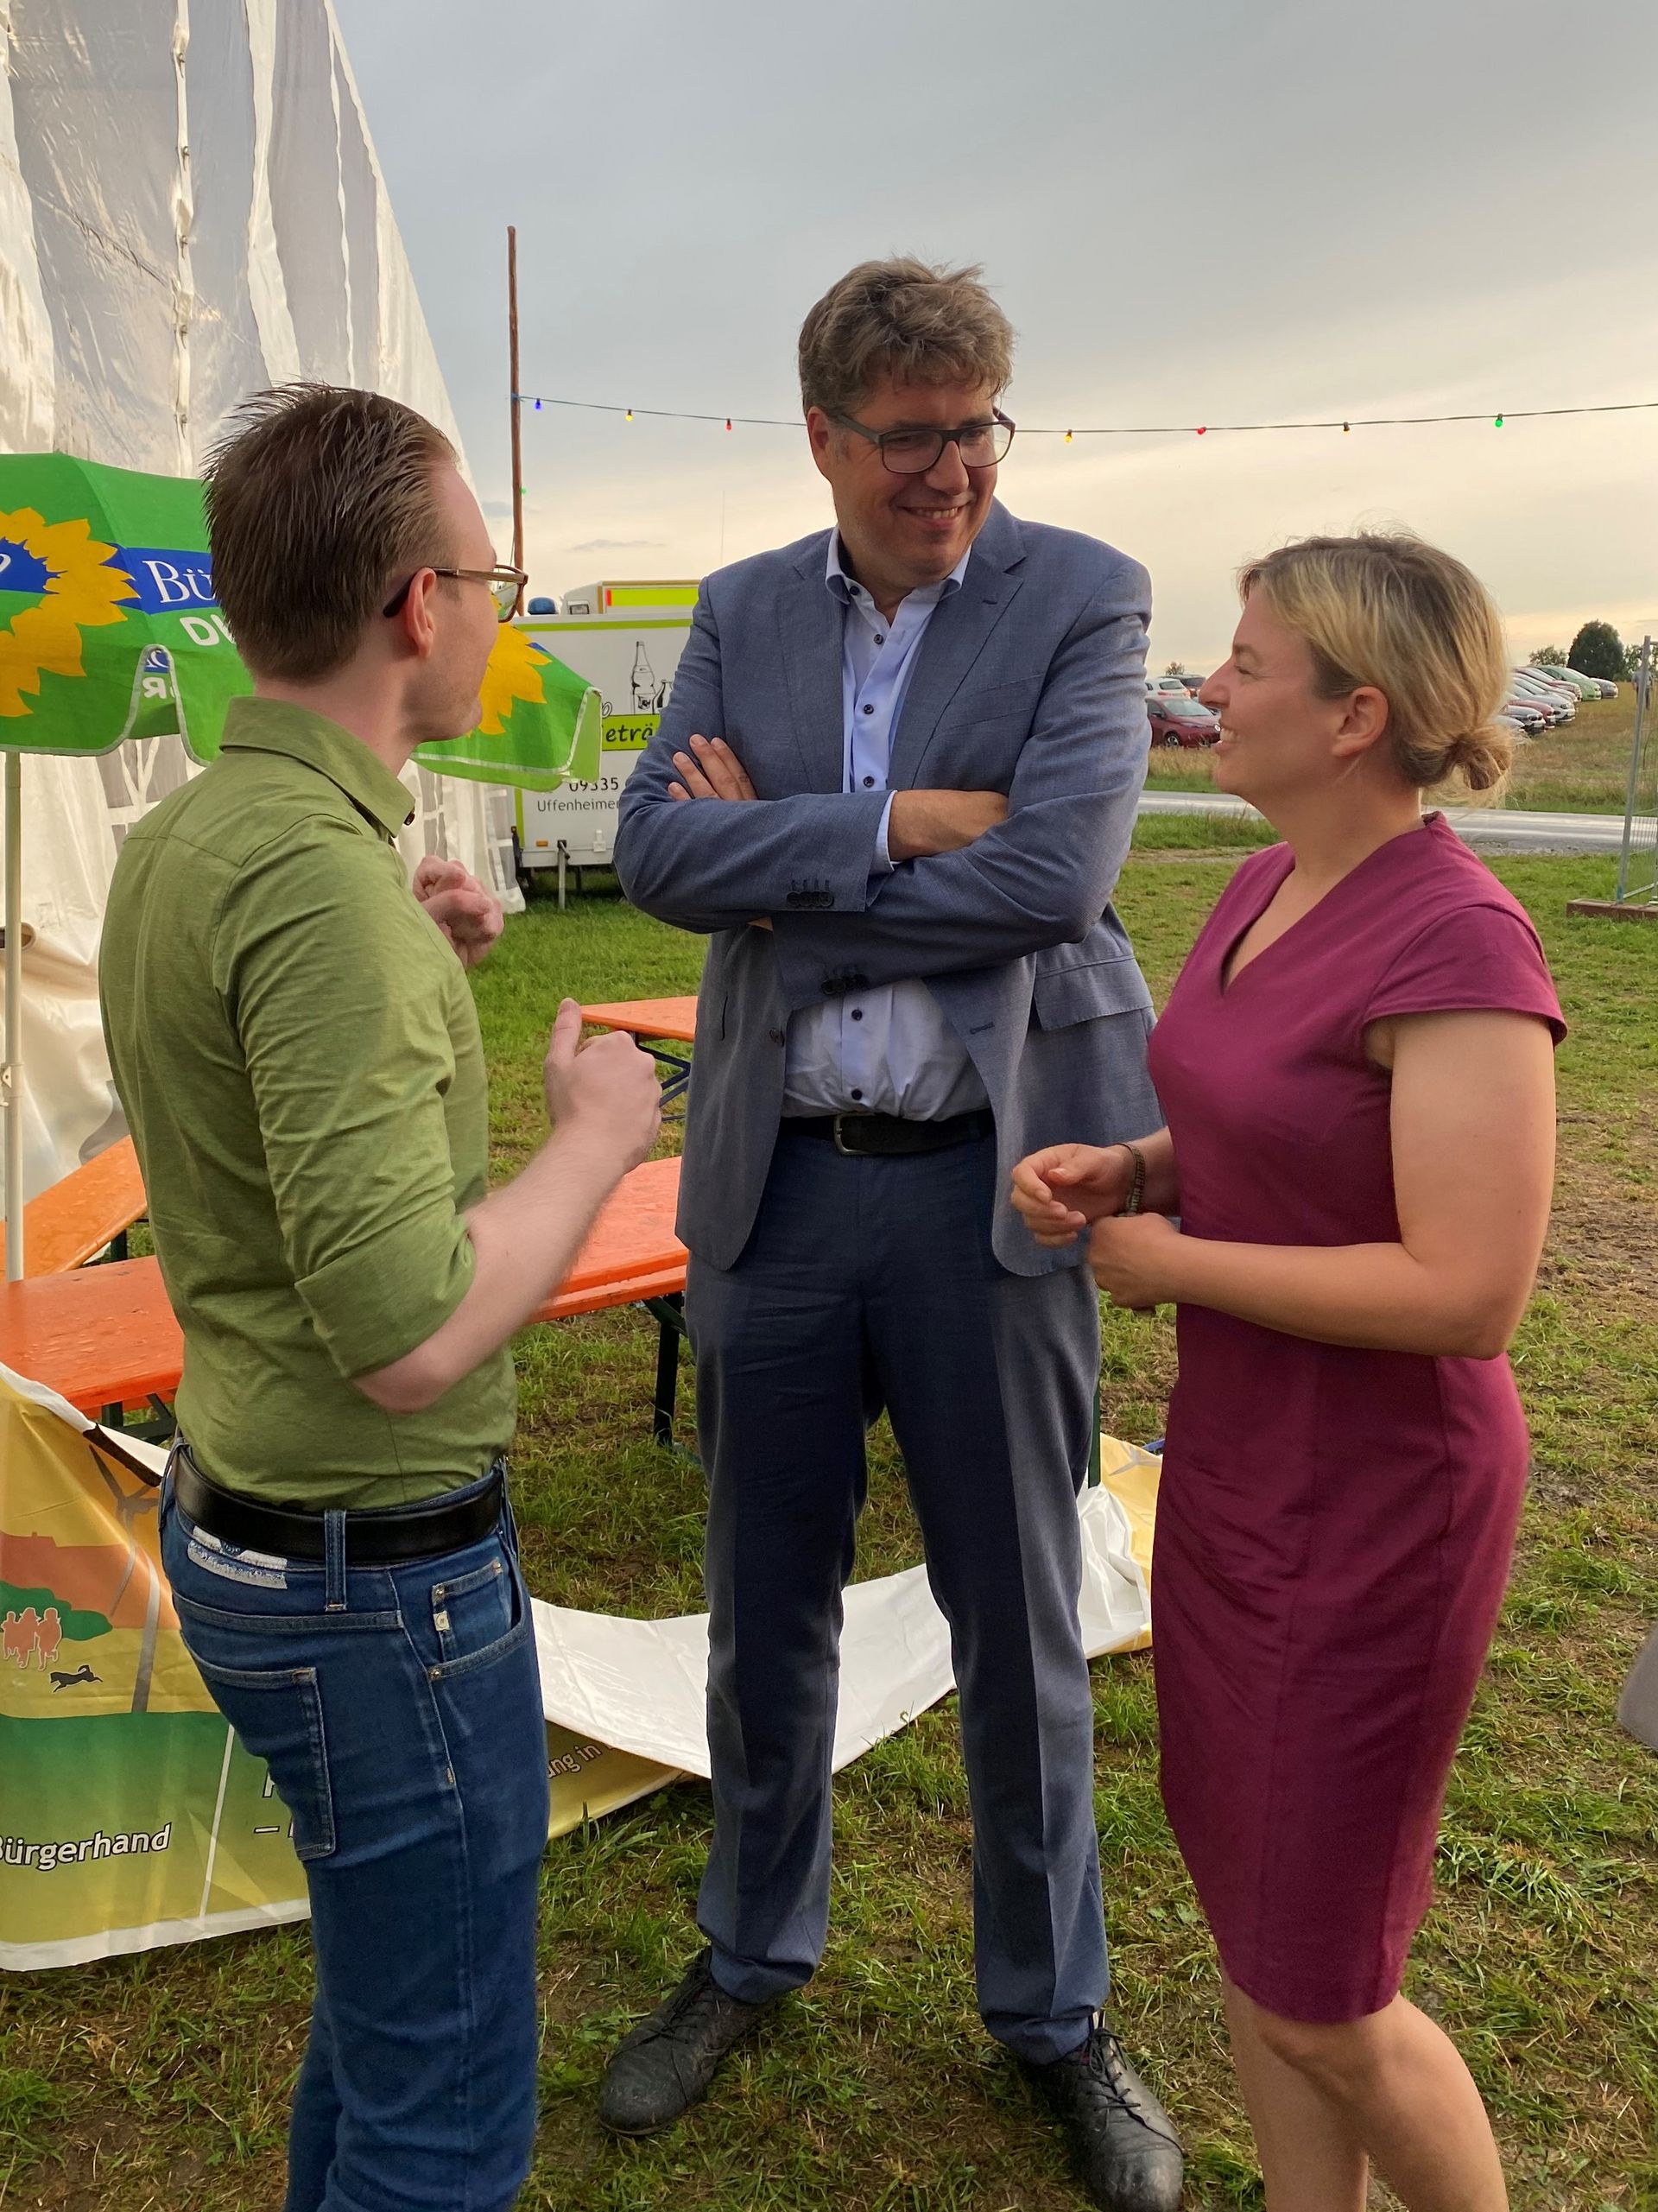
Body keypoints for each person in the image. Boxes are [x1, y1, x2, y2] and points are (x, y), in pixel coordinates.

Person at [605, 259, 1184, 2212]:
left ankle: (1056, 2014)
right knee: (762, 1603)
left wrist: (783, 870)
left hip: (988, 1182)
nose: (955, 472)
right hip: (776, 1186)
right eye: (914, 437)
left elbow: (1057, 877)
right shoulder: (741, 607)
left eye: (979, 427)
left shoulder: (1082, 593)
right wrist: (900, 823)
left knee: (1018, 1615)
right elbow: (654, 851)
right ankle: (749, 1948)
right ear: (824, 437)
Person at [99, 384, 662, 2212]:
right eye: (494, 577)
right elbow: (409, 1336)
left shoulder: (203, 839)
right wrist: (595, 1138)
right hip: (375, 1585)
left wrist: (400, 957)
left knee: (389, 2010)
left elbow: (244, 1093)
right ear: (420, 606)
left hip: (262, 1524)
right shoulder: (320, 895)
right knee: (445, 2109)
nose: (500, 607)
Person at [1013, 533, 1563, 2212]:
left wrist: (1172, 1264)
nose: (1210, 686)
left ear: (1354, 716)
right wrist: (1142, 1167)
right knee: (1261, 1937)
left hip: (1382, 1504)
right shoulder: (1266, 884)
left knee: (1330, 1990)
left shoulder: (1461, 944)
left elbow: (1469, 1290)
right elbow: (1278, 1117)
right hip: (1241, 1470)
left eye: (1247, 664)